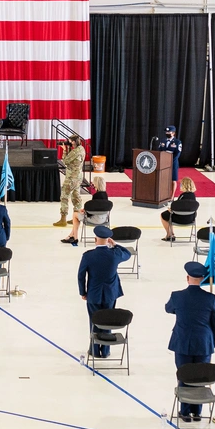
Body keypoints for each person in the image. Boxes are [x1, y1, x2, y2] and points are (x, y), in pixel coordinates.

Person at [164, 261, 215, 422]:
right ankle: (197, 412)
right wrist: (212, 341)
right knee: (200, 378)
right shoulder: (210, 299)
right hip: (204, 343)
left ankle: (185, 411)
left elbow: (168, 309)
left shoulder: (177, 296)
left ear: (187, 278)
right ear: (202, 279)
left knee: (184, 376)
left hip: (182, 342)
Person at [77, 226, 130, 358]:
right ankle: (106, 351)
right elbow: (127, 254)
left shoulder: (88, 256)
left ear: (95, 239)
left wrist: (83, 292)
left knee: (94, 321)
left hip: (93, 294)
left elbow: (81, 275)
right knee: (107, 321)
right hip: (110, 294)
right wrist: (115, 245)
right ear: (108, 240)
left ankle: (94, 350)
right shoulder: (115, 254)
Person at [62, 176, 109, 246]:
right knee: (78, 214)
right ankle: (71, 235)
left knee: (75, 214)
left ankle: (75, 237)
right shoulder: (105, 195)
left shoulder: (96, 195)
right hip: (104, 219)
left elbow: (92, 211)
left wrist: (84, 211)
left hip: (95, 219)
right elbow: (98, 207)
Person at [53, 135, 85, 227]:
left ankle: (63, 219)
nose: (68, 142)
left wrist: (64, 150)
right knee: (76, 196)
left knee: (64, 196)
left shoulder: (75, 152)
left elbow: (66, 161)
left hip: (71, 178)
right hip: (78, 177)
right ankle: (77, 217)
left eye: (70, 141)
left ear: (74, 142)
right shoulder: (81, 149)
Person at [161, 176, 198, 241]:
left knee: (163, 215)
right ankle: (171, 234)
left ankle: (170, 234)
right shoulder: (193, 196)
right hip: (190, 219)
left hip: (180, 218)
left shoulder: (182, 196)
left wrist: (170, 209)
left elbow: (176, 207)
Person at [158, 125, 182, 195]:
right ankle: (164, 194)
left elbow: (177, 153)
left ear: (173, 133)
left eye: (169, 132)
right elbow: (159, 150)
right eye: (166, 132)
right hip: (163, 162)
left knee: (173, 180)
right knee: (164, 179)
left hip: (173, 163)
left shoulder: (177, 142)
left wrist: (170, 160)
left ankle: (172, 196)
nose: (167, 134)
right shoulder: (163, 141)